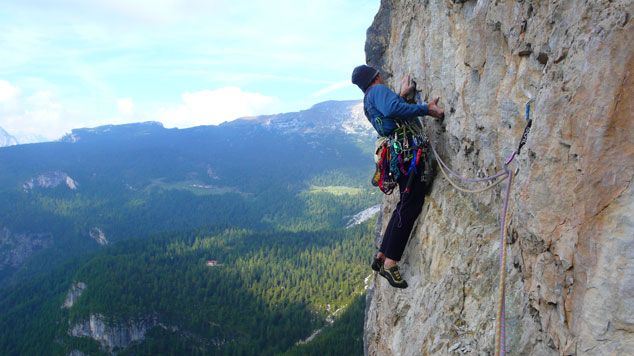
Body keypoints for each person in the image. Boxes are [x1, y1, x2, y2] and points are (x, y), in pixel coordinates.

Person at [351, 64, 444, 289]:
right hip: (408, 153)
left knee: (404, 203)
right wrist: (426, 109)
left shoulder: (368, 101)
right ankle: (391, 261)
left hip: (397, 155)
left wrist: (401, 95)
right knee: (411, 204)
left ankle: (382, 254)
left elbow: (389, 113)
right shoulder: (379, 91)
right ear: (376, 77)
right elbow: (392, 109)